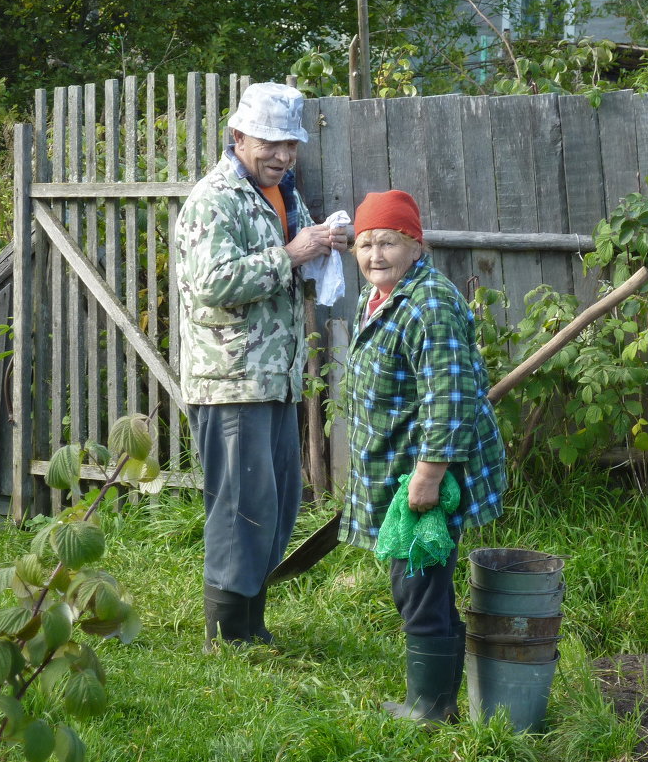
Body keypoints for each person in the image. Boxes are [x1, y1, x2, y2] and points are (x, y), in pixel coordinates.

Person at [175, 81, 348, 649]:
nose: (282, 156)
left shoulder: (282, 195)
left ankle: (251, 623)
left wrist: (323, 243)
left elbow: (290, 262)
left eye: (290, 146)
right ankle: (225, 636)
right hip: (230, 379)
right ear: (239, 136)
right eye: (270, 143)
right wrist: (291, 254)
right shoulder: (215, 199)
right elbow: (211, 284)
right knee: (240, 506)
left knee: (274, 504)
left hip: (275, 376)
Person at [339, 189, 507, 723]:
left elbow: (448, 396)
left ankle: (432, 707)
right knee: (419, 578)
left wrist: (428, 475)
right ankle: (437, 699)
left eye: (388, 242)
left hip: (423, 472)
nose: (375, 255)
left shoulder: (427, 306)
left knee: (419, 581)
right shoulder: (388, 297)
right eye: (365, 245)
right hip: (398, 466)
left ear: (416, 244)